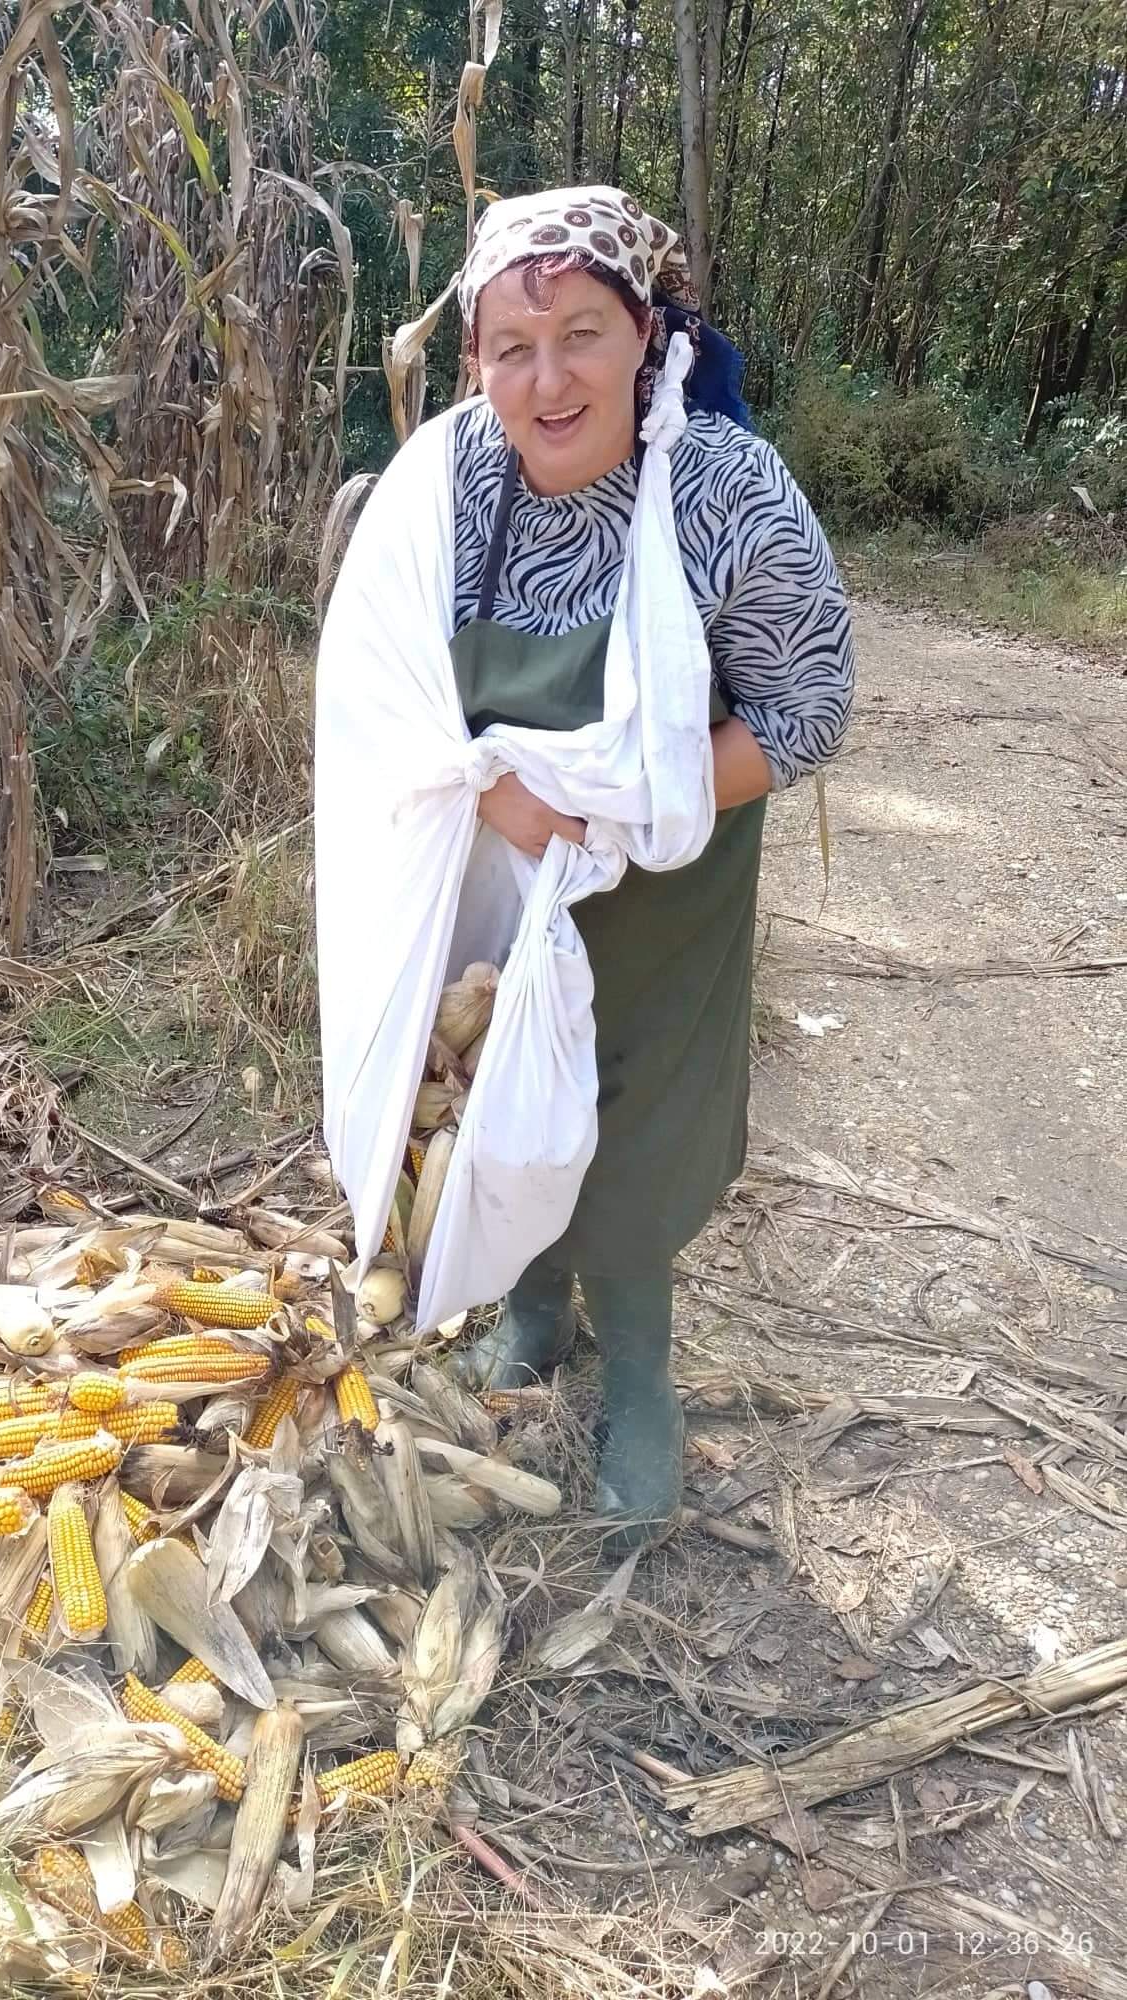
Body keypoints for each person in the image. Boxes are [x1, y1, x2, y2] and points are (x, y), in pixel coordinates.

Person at [327, 187, 854, 1542]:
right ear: (477, 364)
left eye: (581, 334)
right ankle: (529, 1308)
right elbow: (387, 688)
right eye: (512, 346)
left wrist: (629, 819)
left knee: (629, 1128)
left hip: (664, 879)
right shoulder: (452, 486)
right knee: (496, 1088)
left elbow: (804, 713)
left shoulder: (727, 490)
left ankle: (641, 1377)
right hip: (501, 868)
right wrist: (503, 798)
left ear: (647, 334)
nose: (546, 378)